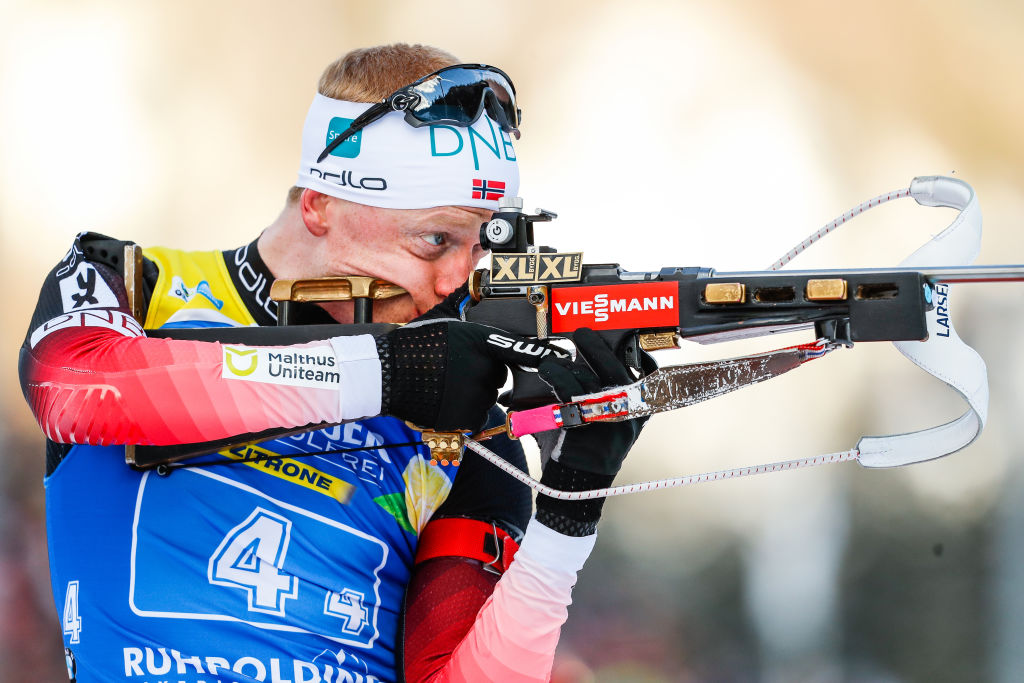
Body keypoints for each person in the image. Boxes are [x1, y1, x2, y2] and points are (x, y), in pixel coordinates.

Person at [18, 43, 644, 683]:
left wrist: (566, 518)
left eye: (480, 247)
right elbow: (73, 384)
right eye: (436, 240)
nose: (458, 280)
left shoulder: (463, 421)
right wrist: (384, 375)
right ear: (319, 203)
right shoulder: (134, 284)